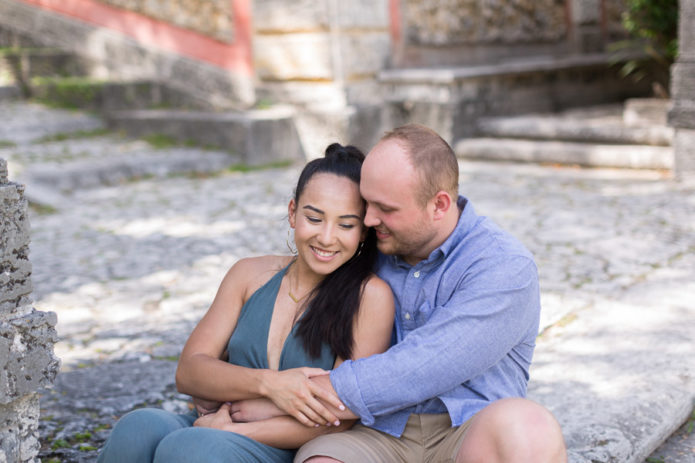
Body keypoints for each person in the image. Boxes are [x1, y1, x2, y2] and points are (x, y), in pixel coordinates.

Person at [275, 124, 566, 462]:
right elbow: (294, 290)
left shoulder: (503, 266)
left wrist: (296, 395)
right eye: (366, 202)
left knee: (531, 427)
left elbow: (425, 365)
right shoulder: (365, 242)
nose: (368, 219)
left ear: (439, 205)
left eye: (386, 208)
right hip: (376, 432)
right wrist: (245, 381)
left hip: (468, 431)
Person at [96, 143, 395, 463]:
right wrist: (272, 386)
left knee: (190, 448)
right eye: (314, 217)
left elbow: (340, 418)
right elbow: (190, 371)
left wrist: (230, 426)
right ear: (293, 213)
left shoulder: (370, 297)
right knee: (137, 428)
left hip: (288, 443)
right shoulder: (249, 274)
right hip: (219, 422)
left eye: (346, 225)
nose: (326, 237)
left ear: (363, 231)